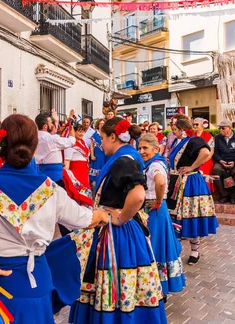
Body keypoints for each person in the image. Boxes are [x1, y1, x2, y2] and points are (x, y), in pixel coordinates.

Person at [0, 114, 109, 324]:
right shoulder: (51, 189)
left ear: (1, 144)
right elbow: (85, 219)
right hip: (37, 280)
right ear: (35, 147)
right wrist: (103, 214)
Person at [69, 117, 167, 323]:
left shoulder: (123, 160)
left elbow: (138, 194)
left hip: (116, 235)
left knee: (114, 280)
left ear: (113, 137)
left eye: (103, 138)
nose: (101, 144)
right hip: (120, 231)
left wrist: (121, 218)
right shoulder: (126, 156)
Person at [139, 134, 186, 295]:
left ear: (156, 148)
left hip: (155, 210)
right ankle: (159, 286)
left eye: (145, 148)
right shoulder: (152, 163)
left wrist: (158, 201)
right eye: (140, 148)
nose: (141, 151)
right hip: (156, 210)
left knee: (155, 246)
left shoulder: (155, 165)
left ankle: (157, 287)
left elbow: (160, 182)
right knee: (156, 245)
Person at [168, 118, 219, 265]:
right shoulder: (180, 142)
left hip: (189, 182)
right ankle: (177, 250)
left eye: (176, 129)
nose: (174, 131)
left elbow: (205, 152)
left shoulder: (193, 140)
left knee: (191, 214)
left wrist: (192, 167)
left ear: (183, 129)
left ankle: (194, 252)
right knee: (177, 217)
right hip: (177, 182)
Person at [35, 112, 76, 187]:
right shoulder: (52, 139)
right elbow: (72, 142)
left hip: (39, 173)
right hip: (54, 177)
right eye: (51, 123)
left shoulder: (33, 138)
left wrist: (56, 122)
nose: (52, 124)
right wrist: (71, 128)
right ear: (45, 126)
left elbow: (54, 134)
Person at [212, 120, 235, 204]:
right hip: (221, 162)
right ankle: (224, 195)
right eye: (219, 128)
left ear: (230, 128)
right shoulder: (217, 138)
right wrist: (220, 160)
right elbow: (215, 152)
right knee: (216, 170)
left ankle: (233, 196)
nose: (220, 130)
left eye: (223, 128)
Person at [64, 122, 90, 188]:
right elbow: (67, 161)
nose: (81, 133)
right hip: (75, 171)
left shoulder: (83, 143)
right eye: (79, 131)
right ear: (74, 132)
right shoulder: (70, 144)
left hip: (84, 171)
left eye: (82, 132)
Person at [193, 118, 215, 186]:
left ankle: (206, 190)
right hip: (193, 159)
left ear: (202, 125)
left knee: (202, 169)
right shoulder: (192, 136)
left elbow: (211, 152)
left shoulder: (209, 136)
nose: (195, 126)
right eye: (194, 124)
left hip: (206, 159)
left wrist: (202, 161)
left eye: (197, 124)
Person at [89, 118, 107, 184]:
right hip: (97, 155)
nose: (102, 125)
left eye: (103, 124)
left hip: (105, 155)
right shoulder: (95, 135)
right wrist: (92, 155)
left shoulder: (106, 134)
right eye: (100, 124)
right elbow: (92, 146)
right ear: (98, 125)